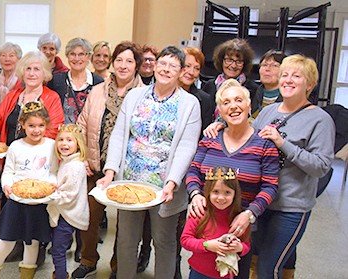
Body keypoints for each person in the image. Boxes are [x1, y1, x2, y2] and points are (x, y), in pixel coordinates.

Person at [205, 55, 334, 279]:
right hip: (258, 203)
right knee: (249, 261)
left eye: (296, 76)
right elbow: (248, 138)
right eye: (285, 75)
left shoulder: (320, 119)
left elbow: (321, 167)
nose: (288, 80)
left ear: (310, 84)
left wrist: (283, 143)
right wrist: (222, 126)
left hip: (290, 207)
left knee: (268, 268)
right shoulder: (268, 112)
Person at [97, 46, 201, 279]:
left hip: (164, 187)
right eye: (162, 63)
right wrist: (110, 172)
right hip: (130, 182)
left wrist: (172, 182)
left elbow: (187, 146)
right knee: (125, 240)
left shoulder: (189, 103)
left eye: (173, 65)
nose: (165, 69)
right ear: (154, 65)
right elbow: (120, 134)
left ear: (181, 71)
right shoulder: (135, 95)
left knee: (164, 241)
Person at [187, 79, 280, 278]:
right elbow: (193, 172)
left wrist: (249, 214)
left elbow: (270, 186)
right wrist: (195, 194)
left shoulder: (264, 144)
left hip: (240, 227)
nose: (233, 106)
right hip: (207, 222)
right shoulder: (210, 138)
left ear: (249, 105)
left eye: (239, 100)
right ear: (220, 110)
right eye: (226, 102)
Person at [73, 41, 145, 279]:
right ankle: (88, 260)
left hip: (127, 171)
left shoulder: (144, 96)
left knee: (125, 227)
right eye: (120, 60)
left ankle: (117, 266)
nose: (123, 65)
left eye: (129, 61)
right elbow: (82, 124)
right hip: (95, 165)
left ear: (137, 66)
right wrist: (82, 156)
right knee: (89, 218)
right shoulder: (97, 90)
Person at [0, 102, 58, 279]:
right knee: (6, 242)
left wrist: (52, 184)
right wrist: (7, 185)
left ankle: (26, 275)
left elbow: (53, 172)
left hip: (38, 204)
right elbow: (8, 171)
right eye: (31, 126)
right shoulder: (16, 146)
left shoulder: (51, 146)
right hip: (16, 203)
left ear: (46, 125)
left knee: (32, 243)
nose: (36, 130)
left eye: (41, 125)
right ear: (22, 125)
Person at [181, 166, 251, 279]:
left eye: (227, 192)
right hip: (199, 272)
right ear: (208, 191)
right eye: (216, 192)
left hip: (225, 274)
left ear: (235, 194)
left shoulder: (238, 219)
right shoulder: (200, 213)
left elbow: (246, 245)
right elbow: (185, 241)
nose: (221, 198)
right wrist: (207, 245)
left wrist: (239, 248)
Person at [47, 124, 89, 279]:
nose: (64, 144)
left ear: (78, 143)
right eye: (61, 140)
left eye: (69, 140)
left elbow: (69, 195)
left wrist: (49, 195)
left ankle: (60, 276)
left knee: (58, 251)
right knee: (58, 249)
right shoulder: (66, 161)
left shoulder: (75, 166)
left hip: (67, 216)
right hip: (64, 213)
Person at [47, 38, 104, 124]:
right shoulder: (55, 80)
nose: (77, 59)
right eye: (72, 54)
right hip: (61, 135)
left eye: (81, 54)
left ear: (88, 57)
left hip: (88, 135)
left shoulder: (98, 82)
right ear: (67, 56)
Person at [201, 38, 259, 112]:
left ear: (245, 64)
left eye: (239, 61)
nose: (233, 65)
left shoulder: (253, 89)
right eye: (229, 60)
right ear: (221, 61)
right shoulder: (209, 86)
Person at [180, 47, 215, 135]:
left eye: (197, 68)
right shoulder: (165, 93)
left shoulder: (204, 99)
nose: (191, 72)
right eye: (187, 66)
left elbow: (204, 133)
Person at [253, 50, 287, 117]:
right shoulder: (252, 93)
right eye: (264, 65)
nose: (267, 69)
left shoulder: (290, 98)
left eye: (274, 65)